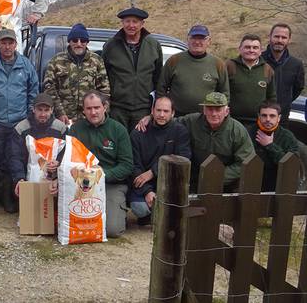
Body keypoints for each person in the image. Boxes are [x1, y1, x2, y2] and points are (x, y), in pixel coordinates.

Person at [0, 29, 38, 213]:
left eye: (10, 43)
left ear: (15, 44)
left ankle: (8, 197)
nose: (7, 46)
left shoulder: (26, 65)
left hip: (18, 124)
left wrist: (28, 117)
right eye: (3, 42)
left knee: (13, 160)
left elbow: (33, 92)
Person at [67, 91, 133, 238]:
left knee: (112, 230)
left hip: (111, 183)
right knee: (71, 224)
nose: (93, 112)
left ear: (105, 107)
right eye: (89, 109)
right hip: (81, 184)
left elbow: (127, 165)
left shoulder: (118, 130)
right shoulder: (75, 129)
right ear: (83, 110)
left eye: (97, 107)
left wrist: (103, 175)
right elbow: (68, 161)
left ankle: (117, 212)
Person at [129, 97, 190, 225]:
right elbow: (134, 166)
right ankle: (150, 215)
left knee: (174, 208)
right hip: (143, 184)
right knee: (139, 209)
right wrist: (147, 191)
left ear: (173, 113)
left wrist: (153, 172)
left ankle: (161, 214)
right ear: (152, 111)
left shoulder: (180, 131)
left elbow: (184, 158)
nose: (162, 115)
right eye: (158, 110)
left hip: (169, 182)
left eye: (166, 111)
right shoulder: (138, 133)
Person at [177, 92, 254, 192]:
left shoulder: (238, 130)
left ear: (226, 111)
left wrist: (219, 176)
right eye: (210, 109)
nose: (214, 114)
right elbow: (170, 123)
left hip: (225, 183)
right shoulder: (191, 121)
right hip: (194, 179)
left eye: (218, 109)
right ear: (204, 110)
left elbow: (246, 162)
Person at [102, 7, 162, 131]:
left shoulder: (153, 45)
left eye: (135, 21)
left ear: (142, 24)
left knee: (140, 147)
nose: (131, 25)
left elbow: (158, 78)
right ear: (122, 23)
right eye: (127, 21)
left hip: (143, 110)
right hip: (117, 109)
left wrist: (153, 110)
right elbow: (103, 77)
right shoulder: (111, 45)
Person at [44, 23, 109, 124]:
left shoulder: (96, 61)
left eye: (82, 40)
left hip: (90, 118)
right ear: (69, 41)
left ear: (87, 42)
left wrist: (101, 113)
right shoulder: (57, 61)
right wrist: (59, 112)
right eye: (75, 40)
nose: (79, 44)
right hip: (64, 119)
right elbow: (49, 88)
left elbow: (104, 89)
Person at [157, 25, 229, 116]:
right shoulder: (174, 60)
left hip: (206, 118)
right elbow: (161, 88)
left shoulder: (218, 64)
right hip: (176, 116)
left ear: (209, 41)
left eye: (202, 38)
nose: (197, 42)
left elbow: (225, 94)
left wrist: (217, 115)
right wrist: (162, 111)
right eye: (193, 38)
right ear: (188, 39)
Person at [10, 94, 68, 196]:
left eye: (46, 110)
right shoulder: (21, 128)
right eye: (39, 110)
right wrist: (19, 178)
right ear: (33, 109)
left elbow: (67, 153)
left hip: (54, 178)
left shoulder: (61, 128)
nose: (43, 114)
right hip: (28, 177)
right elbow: (15, 156)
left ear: (52, 110)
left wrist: (58, 162)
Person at [226, 34, 276, 125]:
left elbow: (271, 97)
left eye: (255, 47)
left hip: (258, 123)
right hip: (232, 121)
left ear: (260, 51)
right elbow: (221, 92)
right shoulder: (229, 66)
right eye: (247, 47)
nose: (251, 50)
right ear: (240, 49)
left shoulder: (267, 69)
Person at [249, 101, 299, 192]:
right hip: (251, 184)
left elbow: (292, 165)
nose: (268, 119)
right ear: (258, 116)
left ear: (279, 118)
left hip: (278, 187)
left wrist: (270, 145)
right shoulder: (248, 133)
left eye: (272, 116)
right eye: (264, 115)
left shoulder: (287, 136)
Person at [262, 23, 304, 125]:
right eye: (276, 36)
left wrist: (284, 102)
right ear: (270, 37)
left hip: (282, 119)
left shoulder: (296, 64)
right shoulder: (258, 60)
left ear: (289, 40)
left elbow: (297, 88)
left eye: (284, 37)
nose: (280, 40)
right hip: (257, 117)